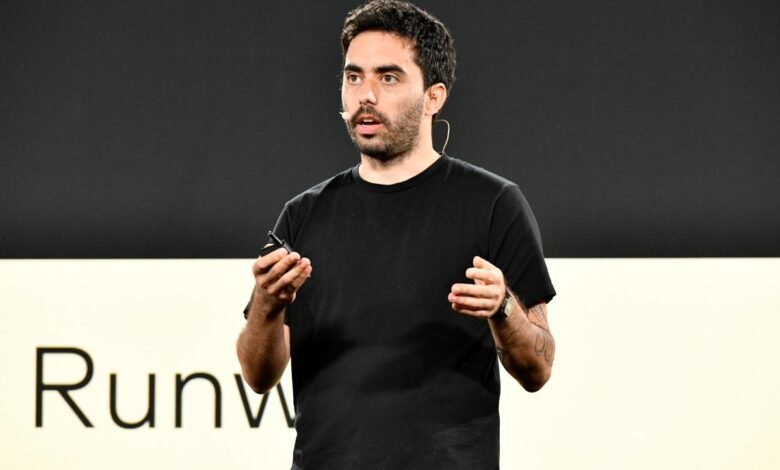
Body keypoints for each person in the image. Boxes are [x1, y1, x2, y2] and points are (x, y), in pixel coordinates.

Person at [237, 1, 556, 468]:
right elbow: (258, 376)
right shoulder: (303, 215)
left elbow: (538, 368)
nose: (366, 95)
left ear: (433, 97)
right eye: (353, 77)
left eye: (388, 78)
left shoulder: (493, 204)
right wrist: (267, 303)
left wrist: (503, 307)